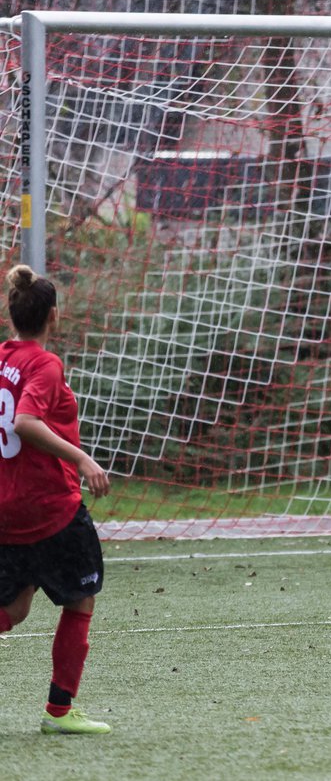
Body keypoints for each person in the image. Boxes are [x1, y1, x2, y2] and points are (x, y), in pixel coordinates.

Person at [0, 264, 112, 734]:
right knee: (81, 597)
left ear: (10, 315)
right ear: (54, 317)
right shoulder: (44, 364)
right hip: (49, 507)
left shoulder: (3, 356)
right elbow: (25, 422)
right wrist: (83, 460)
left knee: (15, 608)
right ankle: (60, 712)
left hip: (6, 508)